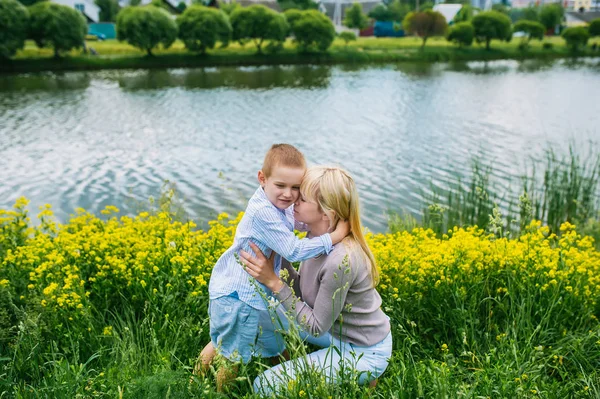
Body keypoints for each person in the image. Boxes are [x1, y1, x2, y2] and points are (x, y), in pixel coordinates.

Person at [194, 145, 349, 391]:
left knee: (227, 340)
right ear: (262, 178)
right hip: (240, 297)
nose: (289, 194)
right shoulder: (263, 212)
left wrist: (317, 217)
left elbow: (294, 222)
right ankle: (218, 393)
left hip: (248, 292)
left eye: (296, 188)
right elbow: (293, 250)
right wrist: (334, 236)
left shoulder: (276, 203)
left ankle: (195, 381)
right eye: (281, 185)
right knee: (232, 355)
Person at [240, 165, 392, 395]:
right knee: (260, 312)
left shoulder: (340, 261)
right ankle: (285, 366)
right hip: (336, 331)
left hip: (363, 349)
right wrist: (278, 252)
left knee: (264, 385)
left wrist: (274, 282)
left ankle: (367, 375)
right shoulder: (315, 237)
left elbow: (316, 327)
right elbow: (304, 293)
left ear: (326, 212)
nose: (293, 200)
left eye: (302, 197)